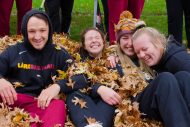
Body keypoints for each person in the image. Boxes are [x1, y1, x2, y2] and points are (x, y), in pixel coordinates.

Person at [108, 11, 190, 127]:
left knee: (183, 76)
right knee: (165, 78)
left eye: (133, 38)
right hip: (136, 103)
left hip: (160, 96)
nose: (130, 43)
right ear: (118, 42)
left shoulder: (146, 56)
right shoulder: (113, 58)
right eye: (125, 38)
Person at [0, 9, 74, 127]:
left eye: (42, 30)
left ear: (49, 30)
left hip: (42, 104)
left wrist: (58, 86)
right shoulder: (13, 51)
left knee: (58, 105)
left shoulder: (59, 53)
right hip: (13, 100)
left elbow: (80, 75)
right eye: (32, 31)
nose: (37, 36)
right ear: (25, 31)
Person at [66, 27, 122, 127]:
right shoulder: (76, 61)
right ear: (84, 45)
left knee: (111, 97)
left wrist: (113, 56)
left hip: (106, 101)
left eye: (97, 37)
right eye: (89, 39)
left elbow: (120, 82)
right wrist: (98, 89)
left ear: (103, 42)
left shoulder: (113, 61)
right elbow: (74, 82)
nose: (94, 40)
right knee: (73, 95)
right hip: (83, 100)